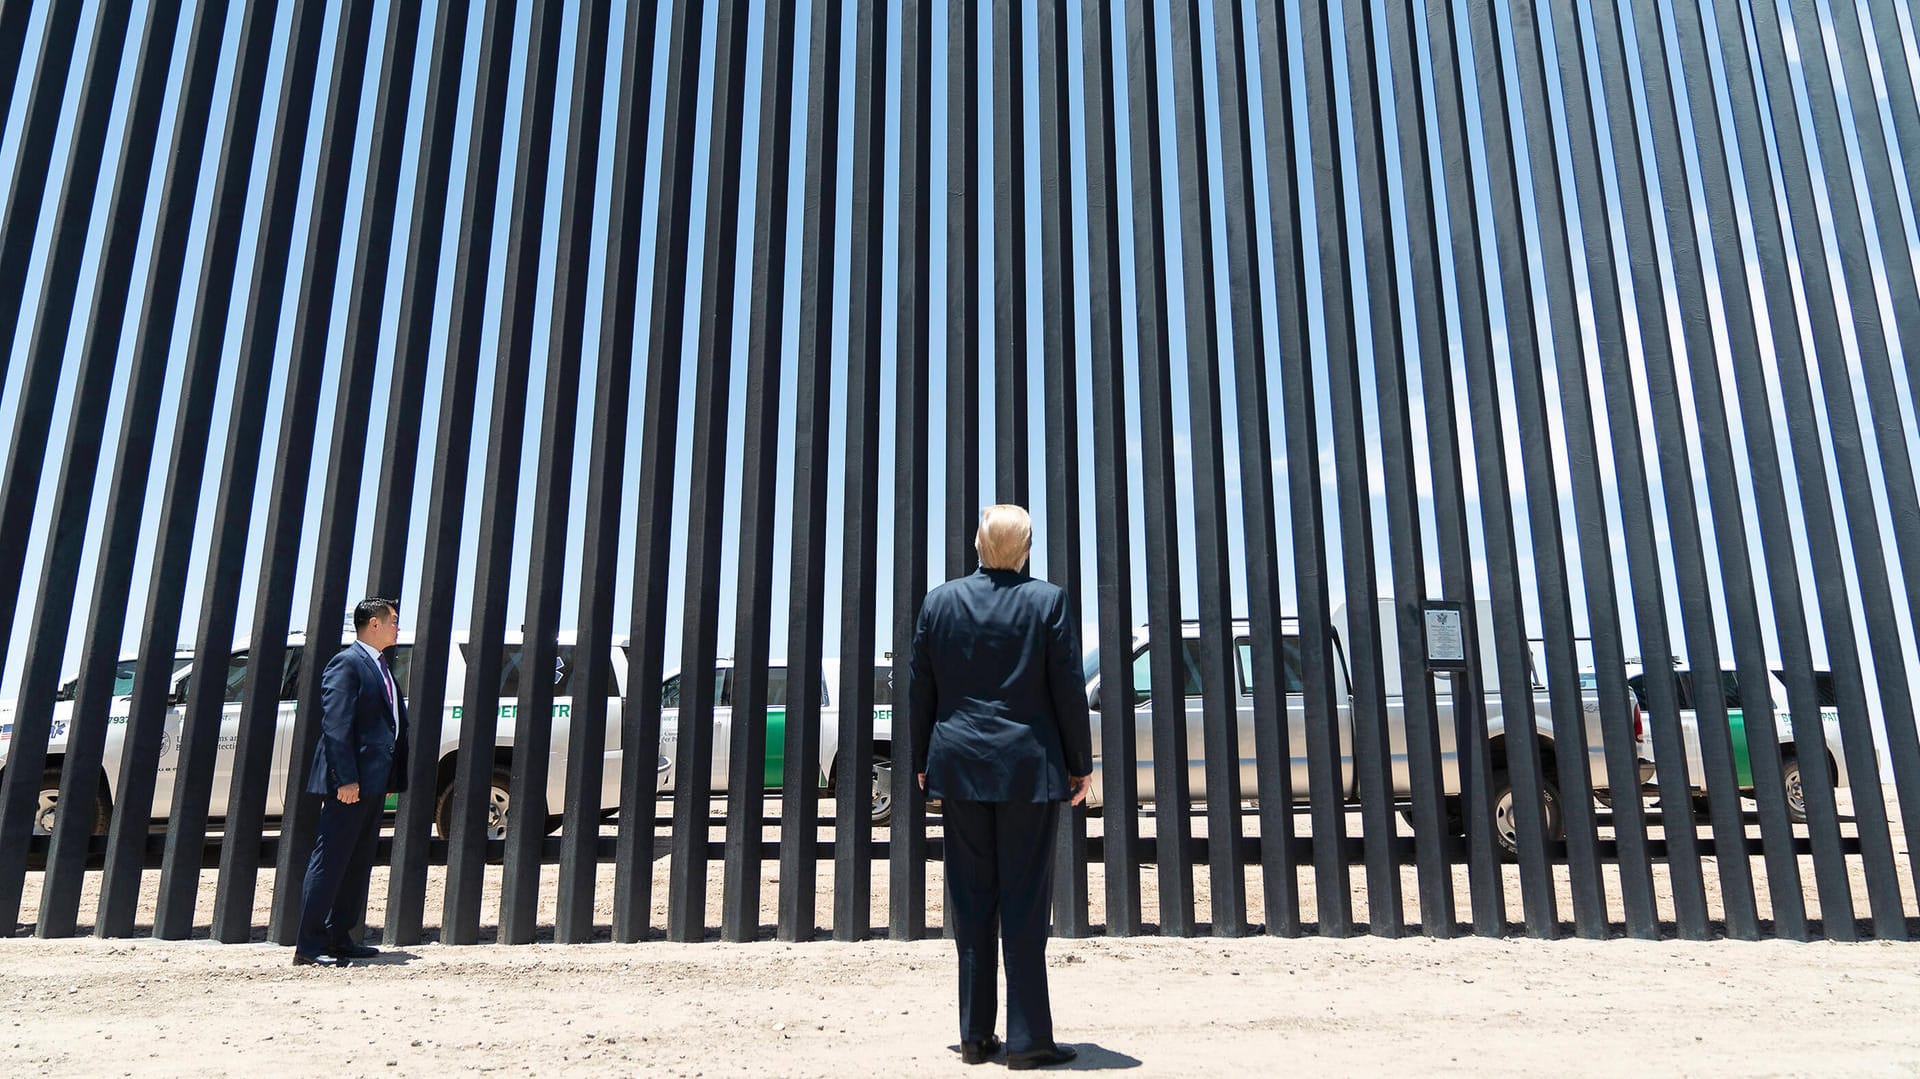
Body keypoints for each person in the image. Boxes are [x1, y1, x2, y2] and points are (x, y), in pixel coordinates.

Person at [909, 505, 1092, 1070]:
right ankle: (1029, 1038)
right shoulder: (1048, 601)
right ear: (1027, 548)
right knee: (1025, 903)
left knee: (971, 901)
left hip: (960, 767)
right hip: (1027, 771)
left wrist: (919, 759)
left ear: (978, 542)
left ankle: (974, 1037)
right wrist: (1081, 764)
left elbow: (920, 686)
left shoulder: (940, 601)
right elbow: (1067, 688)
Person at [294, 597, 410, 966]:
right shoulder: (347, 663)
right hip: (350, 784)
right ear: (373, 624)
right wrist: (345, 779)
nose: (397, 627)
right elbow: (336, 724)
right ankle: (308, 947)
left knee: (356, 863)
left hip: (373, 783)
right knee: (330, 860)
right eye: (392, 620)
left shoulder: (380, 666)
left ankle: (340, 937)